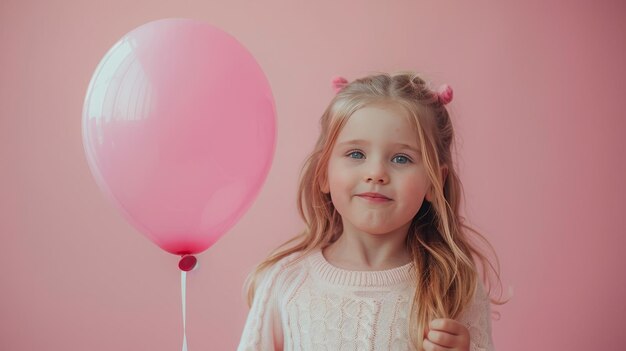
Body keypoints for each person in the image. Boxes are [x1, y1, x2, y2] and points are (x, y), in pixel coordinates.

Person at [237, 72, 506, 351]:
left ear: (434, 181)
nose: (376, 173)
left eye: (401, 158)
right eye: (356, 154)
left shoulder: (453, 286)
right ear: (323, 174)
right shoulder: (285, 283)